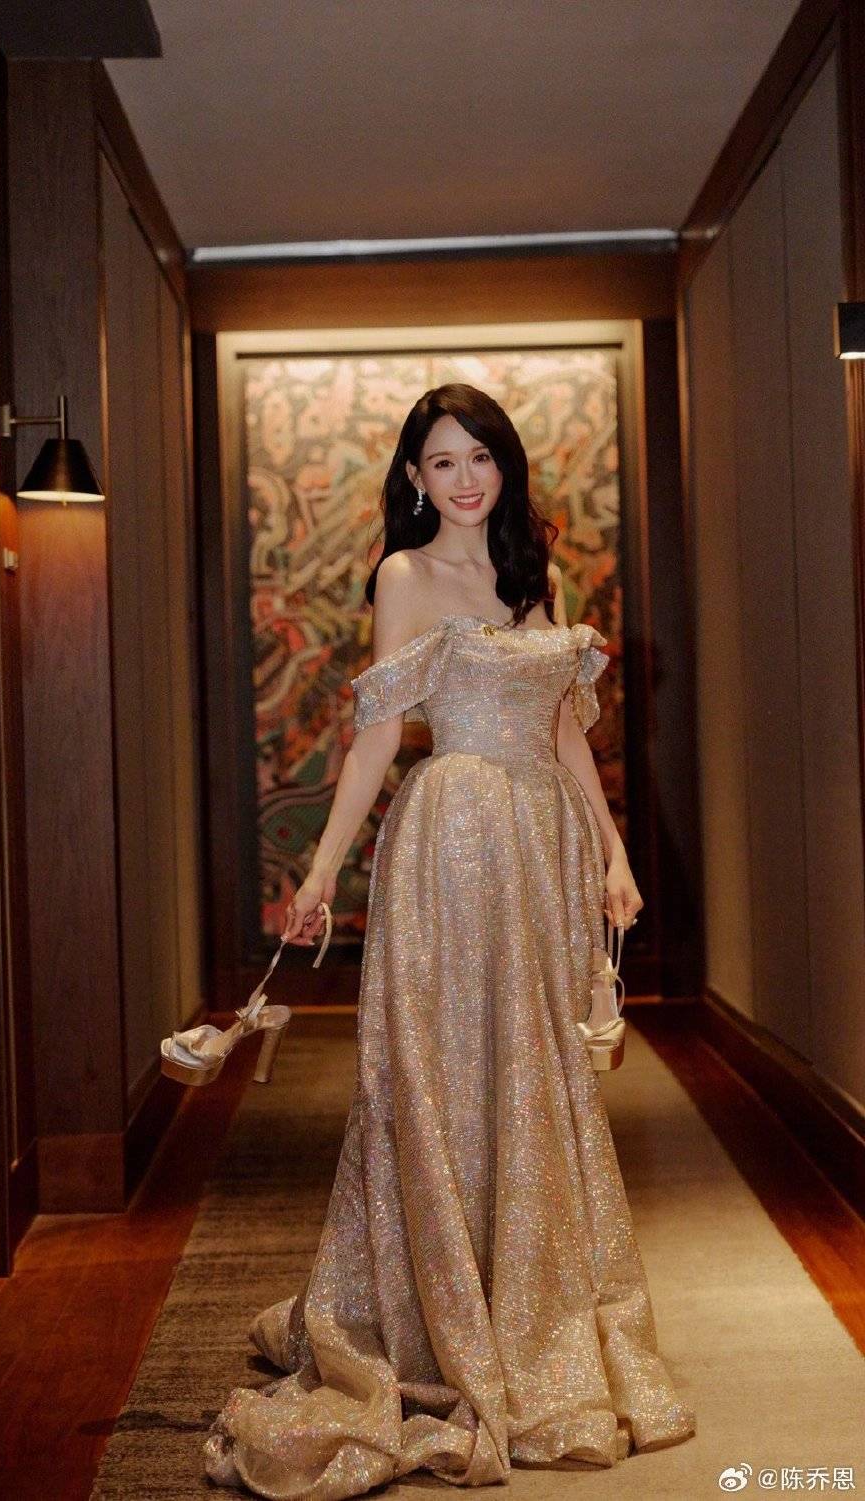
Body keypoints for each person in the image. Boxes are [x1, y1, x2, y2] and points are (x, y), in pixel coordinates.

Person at [204, 382, 696, 1497]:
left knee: (534, 1075)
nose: (465, 478)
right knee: (439, 1074)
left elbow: (565, 731)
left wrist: (612, 852)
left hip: (541, 848)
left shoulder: (536, 577)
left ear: (504, 465)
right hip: (449, 841)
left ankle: (534, 1306)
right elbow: (379, 735)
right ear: (415, 478)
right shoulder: (405, 576)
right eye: (441, 461)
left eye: (480, 456)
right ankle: (440, 1311)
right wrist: (320, 868)